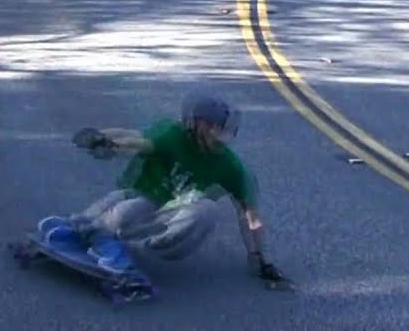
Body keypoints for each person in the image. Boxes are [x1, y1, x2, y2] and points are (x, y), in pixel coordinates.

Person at [38, 94, 288, 285]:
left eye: (222, 129)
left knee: (207, 210)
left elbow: (250, 215)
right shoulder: (172, 135)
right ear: (197, 125)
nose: (220, 134)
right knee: (123, 208)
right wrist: (104, 139)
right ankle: (80, 229)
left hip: (175, 214)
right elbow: (138, 140)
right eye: (214, 126)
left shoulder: (230, 166)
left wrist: (260, 259)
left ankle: (126, 249)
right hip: (143, 196)